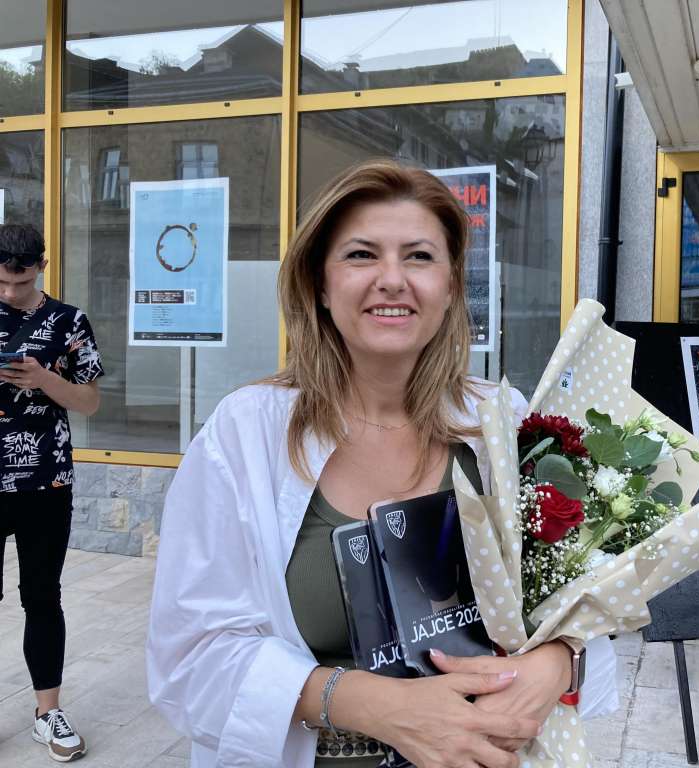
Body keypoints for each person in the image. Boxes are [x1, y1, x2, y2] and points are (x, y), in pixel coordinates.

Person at [146, 160, 617, 768]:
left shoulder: (503, 421)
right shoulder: (244, 433)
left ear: (451, 287)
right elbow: (189, 657)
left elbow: (577, 599)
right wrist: (381, 707)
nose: (392, 279)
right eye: (361, 255)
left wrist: (559, 660)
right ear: (320, 284)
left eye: (419, 256)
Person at [0, 223, 103, 762]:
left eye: (20, 282)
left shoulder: (69, 321)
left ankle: (48, 713)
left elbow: (89, 402)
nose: (10, 292)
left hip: (46, 481)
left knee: (42, 597)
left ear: (41, 265)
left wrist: (44, 380)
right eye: (1, 282)